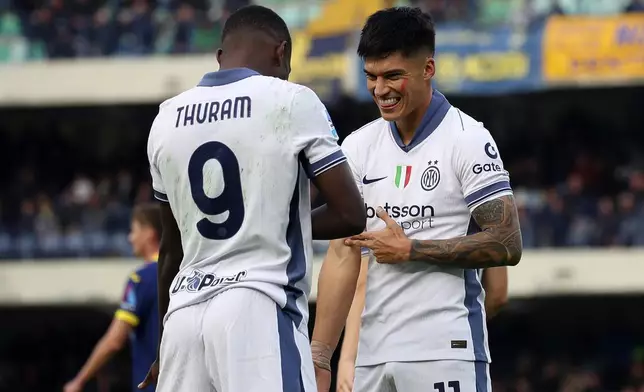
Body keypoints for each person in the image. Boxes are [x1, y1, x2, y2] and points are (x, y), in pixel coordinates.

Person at [138, 5, 366, 392]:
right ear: (281, 52)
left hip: (183, 317)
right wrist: (269, 221)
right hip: (256, 306)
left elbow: (171, 251)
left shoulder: (165, 118)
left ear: (220, 56)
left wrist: (164, 344)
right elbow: (351, 214)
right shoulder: (290, 99)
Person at [312, 7, 523, 392]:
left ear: (428, 69)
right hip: (371, 356)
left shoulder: (468, 138)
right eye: (371, 77)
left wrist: (412, 249)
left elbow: (507, 242)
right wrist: (320, 356)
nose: (380, 89)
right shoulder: (358, 146)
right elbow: (343, 254)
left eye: (394, 76)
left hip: (445, 350)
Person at [64, 203, 162, 392]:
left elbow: (114, 340)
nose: (130, 238)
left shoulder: (141, 279)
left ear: (149, 233)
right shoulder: (183, 272)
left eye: (133, 231)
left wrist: (79, 380)